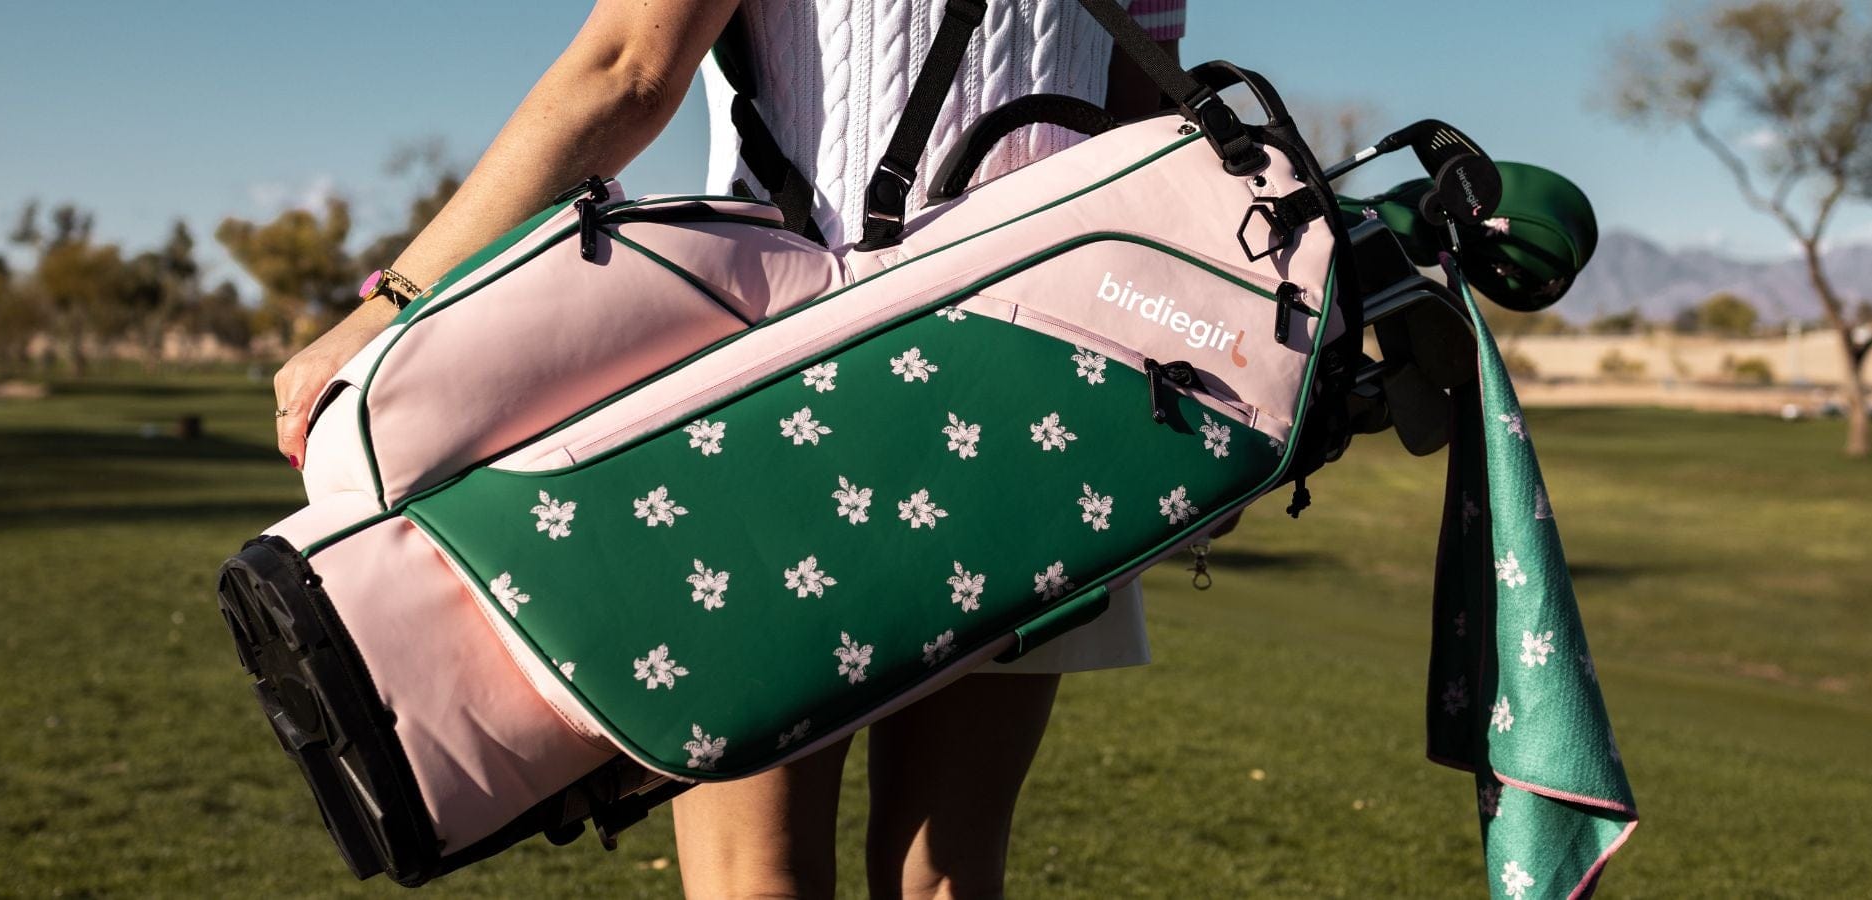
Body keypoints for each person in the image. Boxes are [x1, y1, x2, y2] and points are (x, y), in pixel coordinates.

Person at [267, 2, 1187, 896]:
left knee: (757, 877)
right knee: (946, 873)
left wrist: (393, 301)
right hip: (1042, 384)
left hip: (773, 395)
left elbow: (628, 70)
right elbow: (1141, 122)